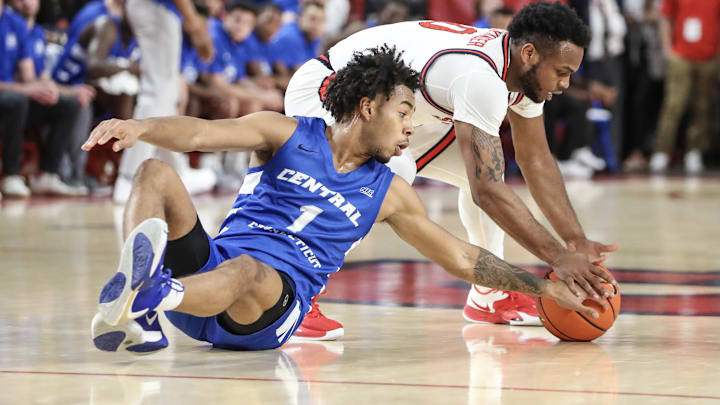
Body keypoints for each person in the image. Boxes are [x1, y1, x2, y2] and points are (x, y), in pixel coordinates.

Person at [82, 46, 609, 353]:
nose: (411, 130)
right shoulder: (284, 133)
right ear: (367, 107)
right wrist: (140, 125)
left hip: (267, 309)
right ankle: (141, 305)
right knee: (154, 172)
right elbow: (198, 134)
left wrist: (540, 287)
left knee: (250, 270)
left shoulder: (391, 195)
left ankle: (150, 294)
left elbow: (462, 257)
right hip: (207, 276)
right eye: (404, 115)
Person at [284, 2, 619, 340]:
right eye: (562, 71)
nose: (565, 83)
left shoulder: (523, 72)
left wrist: (574, 241)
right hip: (329, 89)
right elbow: (485, 191)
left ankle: (490, 296)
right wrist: (558, 257)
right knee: (394, 174)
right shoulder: (482, 77)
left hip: (397, 109)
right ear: (530, 54)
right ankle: (295, 289)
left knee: (488, 171)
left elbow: (536, 160)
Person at [112, 0, 216, 204]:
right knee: (158, 92)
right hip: (155, 7)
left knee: (167, 93)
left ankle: (176, 171)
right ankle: (130, 177)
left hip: (158, 8)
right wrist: (195, 25)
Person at [0, 0, 83, 198]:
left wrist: (50, 90)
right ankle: (10, 174)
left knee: (67, 105)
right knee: (17, 100)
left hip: (11, 98)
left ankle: (46, 174)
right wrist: (26, 89)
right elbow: (24, 86)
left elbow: (29, 76)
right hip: (10, 98)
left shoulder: (17, 23)